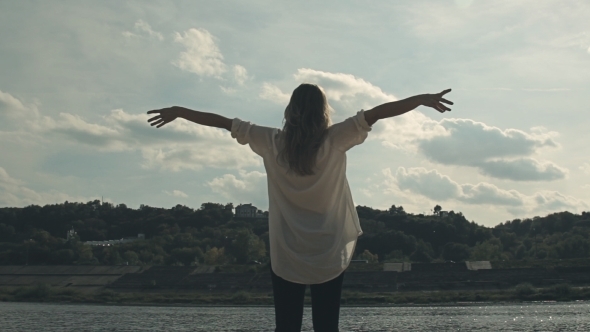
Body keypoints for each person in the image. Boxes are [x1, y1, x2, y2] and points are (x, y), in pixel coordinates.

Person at [147, 84, 453, 331]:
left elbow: (224, 123)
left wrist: (179, 111)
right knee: (326, 325)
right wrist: (421, 99)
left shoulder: (270, 141)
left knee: (287, 326)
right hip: (329, 249)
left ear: (290, 111)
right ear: (323, 111)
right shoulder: (335, 139)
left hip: (287, 250)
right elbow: (377, 113)